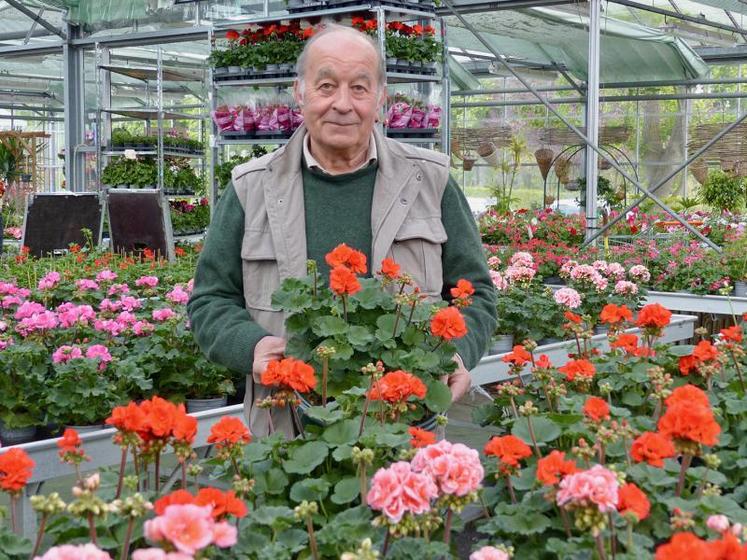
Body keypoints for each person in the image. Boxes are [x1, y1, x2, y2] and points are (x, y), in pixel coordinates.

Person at [187, 24, 497, 436]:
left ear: (381, 98)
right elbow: (210, 300)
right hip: (286, 425)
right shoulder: (251, 187)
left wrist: (455, 353)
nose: (342, 104)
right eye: (327, 86)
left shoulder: (431, 180)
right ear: (300, 94)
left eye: (359, 88)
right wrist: (253, 346)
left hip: (406, 422)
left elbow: (476, 292)